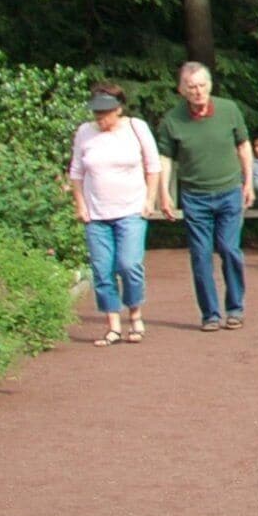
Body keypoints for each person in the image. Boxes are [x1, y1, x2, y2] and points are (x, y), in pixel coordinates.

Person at [155, 60, 257, 329]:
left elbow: (244, 146)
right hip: (195, 196)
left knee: (229, 249)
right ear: (181, 90)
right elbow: (165, 159)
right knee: (200, 255)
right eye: (191, 87)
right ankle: (210, 314)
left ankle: (235, 308)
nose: (198, 91)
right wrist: (163, 194)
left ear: (210, 85)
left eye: (202, 85)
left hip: (229, 191)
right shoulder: (172, 120)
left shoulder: (229, 110)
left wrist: (248, 183)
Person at [65, 87, 162, 344]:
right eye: (96, 113)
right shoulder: (85, 132)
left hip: (131, 209)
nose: (100, 118)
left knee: (129, 265)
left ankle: (135, 315)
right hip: (96, 214)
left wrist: (150, 199)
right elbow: (76, 172)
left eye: (105, 113)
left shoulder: (136, 128)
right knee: (102, 270)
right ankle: (113, 326)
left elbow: (153, 165)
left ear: (118, 109)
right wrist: (80, 204)